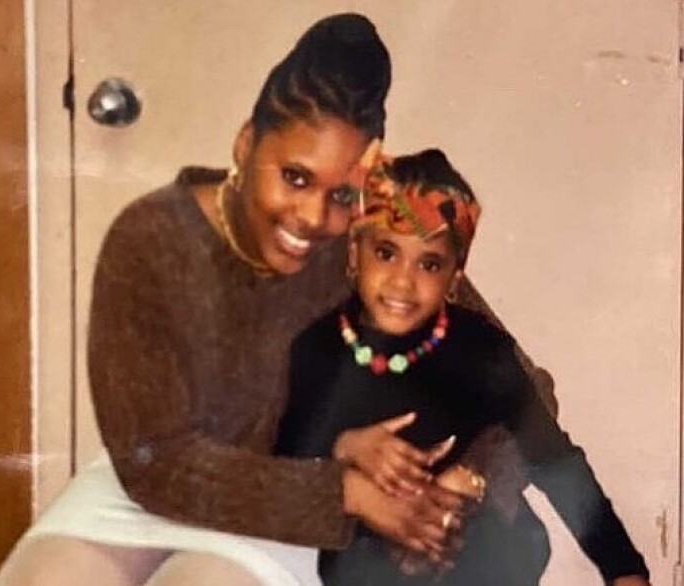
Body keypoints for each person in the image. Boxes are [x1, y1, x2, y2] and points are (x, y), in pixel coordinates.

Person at [0, 13, 551, 586]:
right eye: (295, 177)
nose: (312, 217)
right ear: (245, 145)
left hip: (305, 496)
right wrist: (344, 493)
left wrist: (467, 480)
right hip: (176, 484)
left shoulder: (369, 241)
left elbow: (528, 391)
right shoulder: (150, 238)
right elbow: (156, 465)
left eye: (341, 195)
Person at [274, 148, 651, 586]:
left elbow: (555, 461)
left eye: (429, 263)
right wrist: (344, 446)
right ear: (355, 255)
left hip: (483, 559)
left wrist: (624, 569)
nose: (403, 280)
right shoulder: (316, 351)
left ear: (454, 279)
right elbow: (284, 469)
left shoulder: (480, 349)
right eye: (386, 253)